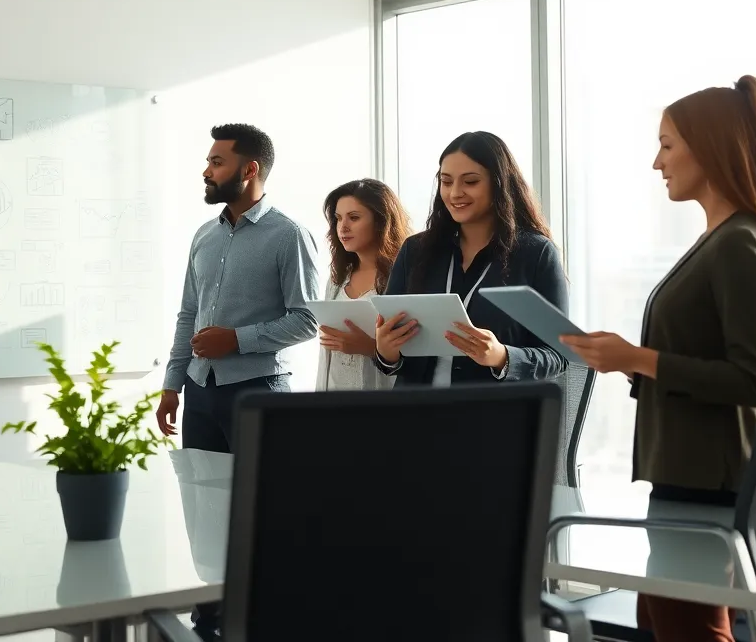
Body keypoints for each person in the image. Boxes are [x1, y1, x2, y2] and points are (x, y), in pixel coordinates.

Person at [560, 75, 756, 642]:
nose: (656, 162)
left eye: (667, 145)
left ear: (711, 148)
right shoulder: (728, 238)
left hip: (706, 483)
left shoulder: (740, 244)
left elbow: (753, 378)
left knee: (684, 628)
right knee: (666, 622)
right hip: (695, 475)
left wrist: (639, 358)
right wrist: (627, 359)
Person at [155, 123, 319, 639]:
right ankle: (208, 621)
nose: (206, 171)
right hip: (200, 395)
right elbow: (188, 315)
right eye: (208, 161)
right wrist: (172, 385)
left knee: (258, 517)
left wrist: (238, 339)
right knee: (202, 513)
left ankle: (265, 622)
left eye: (216, 162)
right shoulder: (203, 236)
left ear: (250, 170)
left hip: (259, 395)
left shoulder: (289, 235)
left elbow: (308, 319)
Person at [373, 131, 568, 387]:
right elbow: (391, 356)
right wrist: (386, 352)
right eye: (446, 181)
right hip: (417, 413)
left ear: (499, 184)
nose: (455, 193)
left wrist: (502, 356)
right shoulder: (416, 250)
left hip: (491, 416)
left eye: (471, 182)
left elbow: (559, 355)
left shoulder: (535, 254)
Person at [315, 179, 410, 391]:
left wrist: (369, 347)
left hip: (382, 406)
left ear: (381, 221)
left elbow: (420, 355)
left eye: (354, 218)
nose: (343, 227)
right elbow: (325, 359)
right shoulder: (337, 280)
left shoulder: (403, 277)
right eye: (338, 219)